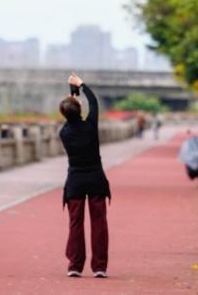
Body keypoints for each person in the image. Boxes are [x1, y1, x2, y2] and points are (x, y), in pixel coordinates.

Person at [59, 73, 111, 278]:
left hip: (75, 181)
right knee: (99, 223)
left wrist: (72, 97)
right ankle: (99, 267)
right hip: (96, 178)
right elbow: (94, 102)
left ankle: (75, 265)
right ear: (79, 110)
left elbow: (71, 114)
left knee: (75, 223)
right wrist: (81, 85)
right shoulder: (91, 126)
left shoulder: (64, 133)